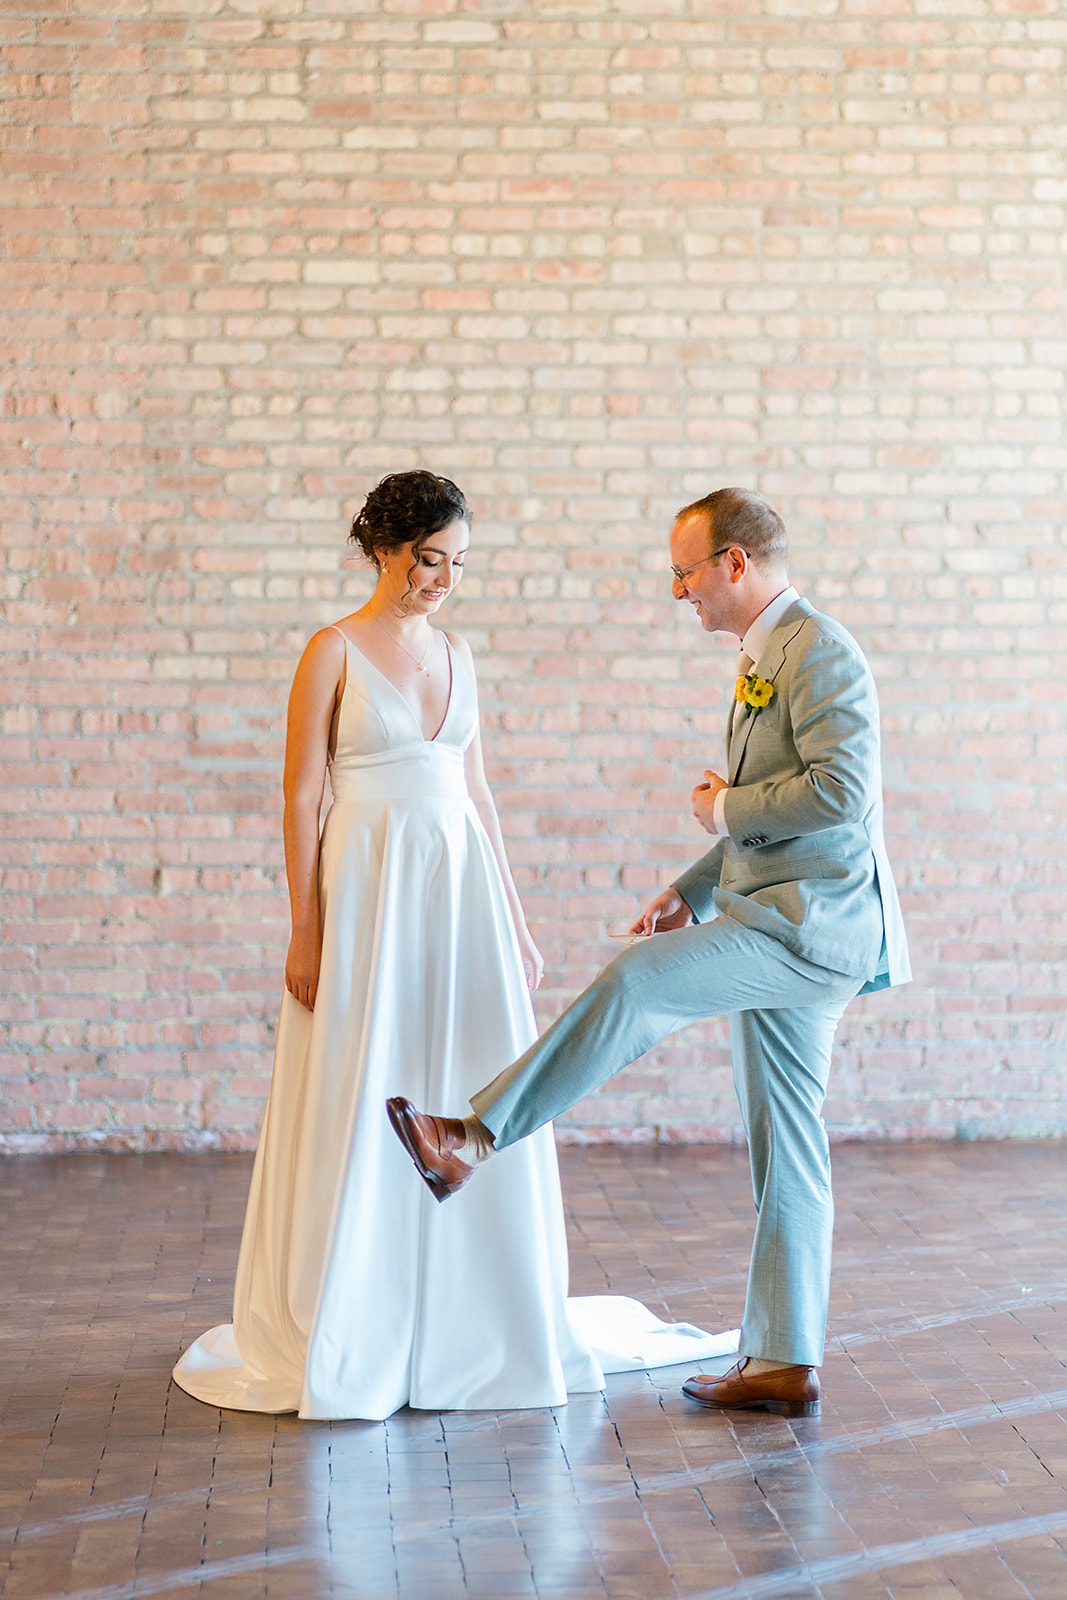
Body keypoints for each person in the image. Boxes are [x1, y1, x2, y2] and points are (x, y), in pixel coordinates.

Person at [173, 471, 737, 1422]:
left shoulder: (460, 654)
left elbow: (477, 796)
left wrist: (514, 923)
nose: (441, 579)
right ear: (385, 550)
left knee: (468, 1070)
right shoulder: (332, 651)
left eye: (457, 563)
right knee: (363, 1080)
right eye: (428, 559)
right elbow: (301, 795)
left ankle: (467, 1310)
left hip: (459, 893)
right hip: (364, 890)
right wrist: (304, 926)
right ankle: (356, 1309)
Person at [389, 487, 911, 1420]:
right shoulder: (771, 654)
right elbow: (784, 796)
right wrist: (696, 883)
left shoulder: (819, 651)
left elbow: (837, 799)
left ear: (735, 564)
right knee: (787, 1148)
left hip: (804, 927)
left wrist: (720, 810)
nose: (678, 592)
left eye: (685, 571)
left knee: (637, 985)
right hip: (775, 911)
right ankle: (785, 1361)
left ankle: (470, 1138)